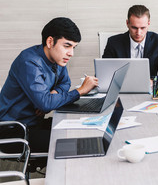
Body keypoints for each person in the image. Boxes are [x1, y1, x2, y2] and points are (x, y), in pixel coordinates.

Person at [0, 17, 98, 156]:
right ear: (50, 41)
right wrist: (80, 91)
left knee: (80, 129)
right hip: (13, 131)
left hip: (33, 124)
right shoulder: (29, 62)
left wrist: (55, 92)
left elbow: (65, 83)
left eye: (73, 47)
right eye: (67, 46)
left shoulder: (57, 59)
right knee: (71, 142)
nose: (71, 53)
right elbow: (46, 104)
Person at [102, 5, 158, 85]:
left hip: (148, 90)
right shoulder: (113, 42)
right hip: (121, 88)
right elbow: (104, 72)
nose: (138, 33)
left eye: (143, 28)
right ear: (127, 23)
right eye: (134, 28)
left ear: (148, 23)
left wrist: (152, 81)